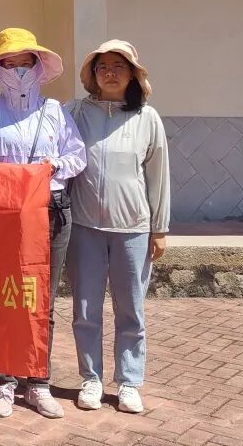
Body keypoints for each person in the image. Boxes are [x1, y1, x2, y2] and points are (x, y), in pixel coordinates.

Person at [0, 28, 86, 420]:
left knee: (41, 300)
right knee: (6, 297)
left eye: (24, 63)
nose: (17, 70)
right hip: (3, 217)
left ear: (37, 66)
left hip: (50, 212)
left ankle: (38, 381)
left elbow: (77, 156)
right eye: (9, 63)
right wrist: (6, 179)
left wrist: (51, 168)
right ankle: (4, 381)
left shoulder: (55, 112)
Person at [66, 40, 170, 415]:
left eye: (118, 66)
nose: (110, 73)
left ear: (133, 75)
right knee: (85, 308)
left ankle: (128, 381)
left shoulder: (147, 118)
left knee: (131, 309)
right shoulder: (75, 112)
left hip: (133, 229)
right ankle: (91, 379)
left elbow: (158, 176)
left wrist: (159, 228)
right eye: (103, 67)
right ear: (92, 74)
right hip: (84, 227)